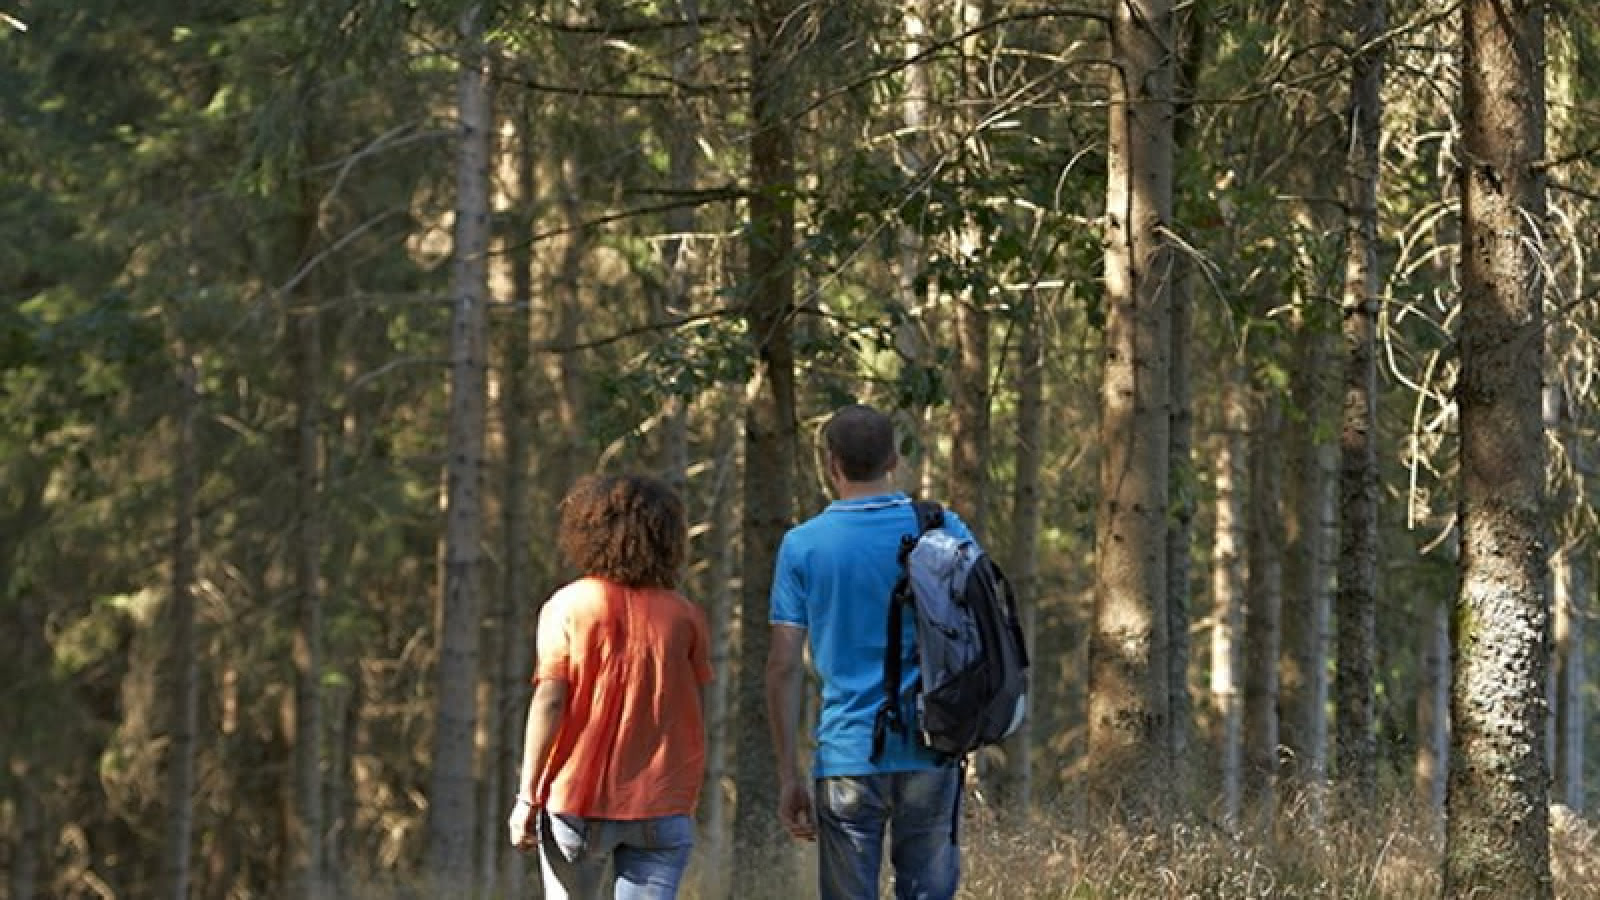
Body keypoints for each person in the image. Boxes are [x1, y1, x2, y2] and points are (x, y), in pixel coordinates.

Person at [766, 404, 975, 900]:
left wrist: (788, 772)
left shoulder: (802, 545)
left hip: (847, 754)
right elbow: (978, 629)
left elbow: (782, 666)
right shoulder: (942, 527)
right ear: (894, 461)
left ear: (832, 463)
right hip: (933, 743)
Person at [507, 474, 713, 900]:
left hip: (578, 801)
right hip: (663, 802)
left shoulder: (567, 605)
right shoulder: (685, 615)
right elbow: (692, 703)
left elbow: (550, 700)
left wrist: (528, 796)